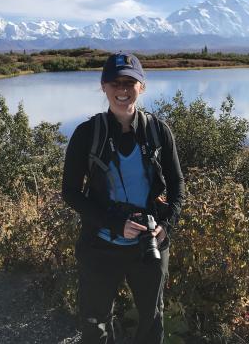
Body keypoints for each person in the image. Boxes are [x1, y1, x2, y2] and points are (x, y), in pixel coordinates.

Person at [62, 52, 184, 344]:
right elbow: (70, 192)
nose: (122, 90)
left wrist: (167, 223)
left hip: (148, 245)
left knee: (152, 319)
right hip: (101, 245)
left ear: (141, 87)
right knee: (95, 322)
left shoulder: (158, 131)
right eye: (115, 82)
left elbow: (178, 182)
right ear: (103, 86)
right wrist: (114, 224)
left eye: (130, 82)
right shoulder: (87, 134)